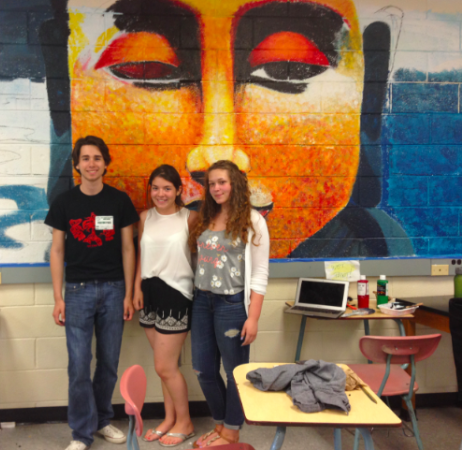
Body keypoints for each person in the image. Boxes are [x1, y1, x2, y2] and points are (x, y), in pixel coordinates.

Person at [39, 0, 412, 260]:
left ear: (370, 94)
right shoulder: (103, 224)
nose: (217, 152)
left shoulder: (381, 246)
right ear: (63, 93)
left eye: (288, 68)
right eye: (146, 68)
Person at [45, 135, 140, 450]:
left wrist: (127, 293)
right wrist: (58, 297)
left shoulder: (119, 201)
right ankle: (81, 433)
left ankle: (101, 420)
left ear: (106, 163)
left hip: (114, 290)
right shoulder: (64, 203)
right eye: (85, 158)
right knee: (79, 363)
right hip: (77, 291)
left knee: (109, 362)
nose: (91, 164)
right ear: (76, 164)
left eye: (97, 158)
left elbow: (129, 248)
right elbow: (57, 251)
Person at [188, 160, 270, 447]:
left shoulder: (253, 220)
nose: (216, 188)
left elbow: (260, 273)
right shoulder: (205, 217)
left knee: (235, 372)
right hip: (201, 302)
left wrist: (253, 317)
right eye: (211, 183)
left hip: (233, 306)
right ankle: (221, 425)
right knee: (203, 369)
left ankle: (232, 431)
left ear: (234, 183)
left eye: (221, 182)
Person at [132, 165, 199, 446]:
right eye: (156, 188)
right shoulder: (145, 217)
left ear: (178, 191)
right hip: (149, 293)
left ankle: (186, 422)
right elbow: (140, 255)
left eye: (167, 188)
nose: (160, 194)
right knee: (163, 367)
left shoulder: (191, 218)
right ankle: (170, 418)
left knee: (165, 366)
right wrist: (136, 288)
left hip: (177, 294)